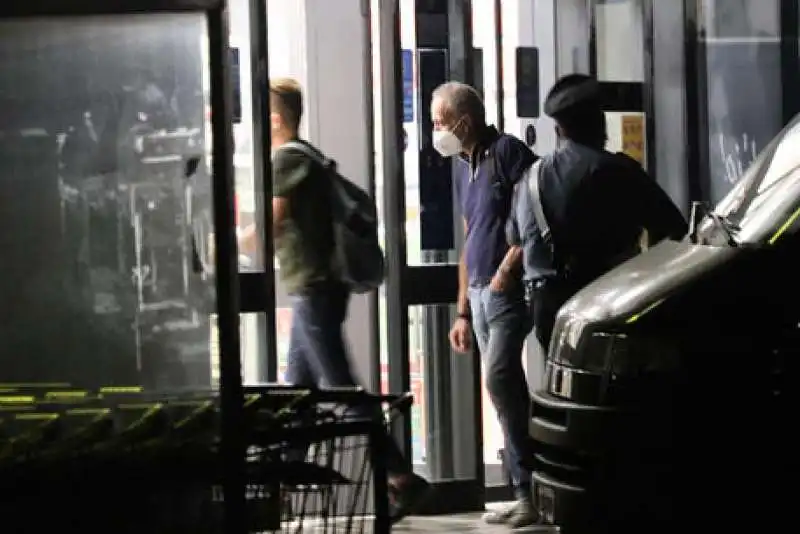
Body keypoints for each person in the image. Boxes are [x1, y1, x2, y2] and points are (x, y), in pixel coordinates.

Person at [269, 78, 428, 522]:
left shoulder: (286, 159)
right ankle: (279, 488)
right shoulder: (310, 156)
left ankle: (399, 475)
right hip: (320, 287)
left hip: (314, 288)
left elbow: (271, 221)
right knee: (298, 392)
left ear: (276, 118)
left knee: (340, 387)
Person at [506, 74, 687, 350]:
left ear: (558, 130)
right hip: (602, 303)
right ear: (599, 124)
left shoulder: (529, 178)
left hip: (546, 312)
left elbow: (515, 238)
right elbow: (674, 226)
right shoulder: (614, 171)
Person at [431, 81, 542, 528]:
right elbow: (468, 234)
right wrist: (461, 308)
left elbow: (533, 217)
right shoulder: (462, 165)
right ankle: (525, 488)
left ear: (464, 119)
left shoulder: (509, 153)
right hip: (477, 294)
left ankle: (530, 489)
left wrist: (506, 270)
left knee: (500, 379)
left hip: (506, 292)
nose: (437, 130)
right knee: (502, 391)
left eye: (441, 122)